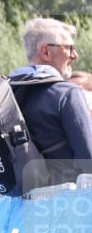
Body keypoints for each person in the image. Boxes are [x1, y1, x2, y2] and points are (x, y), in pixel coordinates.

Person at [6, 18, 92, 187]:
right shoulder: (67, 93)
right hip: (69, 203)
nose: (75, 55)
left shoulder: (10, 97)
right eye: (69, 48)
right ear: (46, 52)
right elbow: (88, 158)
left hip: (26, 206)